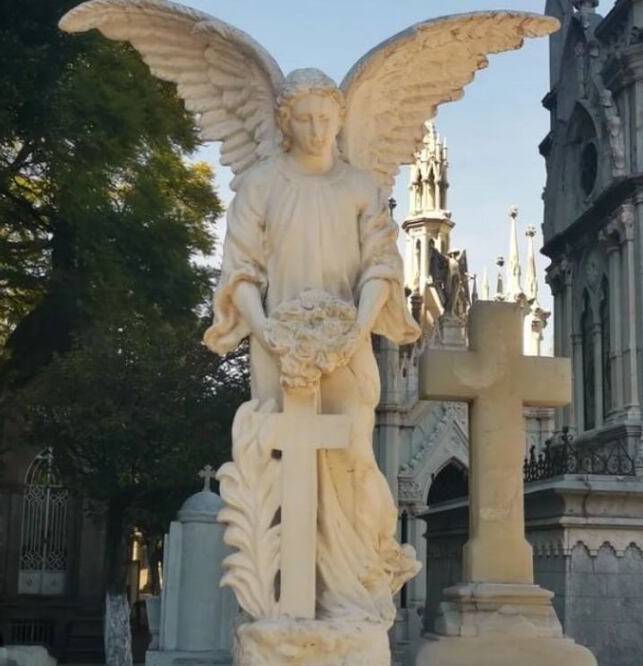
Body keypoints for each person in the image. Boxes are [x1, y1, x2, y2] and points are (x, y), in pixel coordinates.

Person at [203, 68, 420, 621]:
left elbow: (381, 265)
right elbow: (240, 270)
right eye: (304, 119)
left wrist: (357, 328)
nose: (317, 129)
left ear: (340, 120)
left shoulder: (360, 187)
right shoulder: (262, 184)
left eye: (326, 118)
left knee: (353, 457)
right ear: (285, 123)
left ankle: (359, 583)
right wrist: (267, 330)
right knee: (281, 464)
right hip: (278, 344)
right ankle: (287, 602)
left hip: (346, 343)